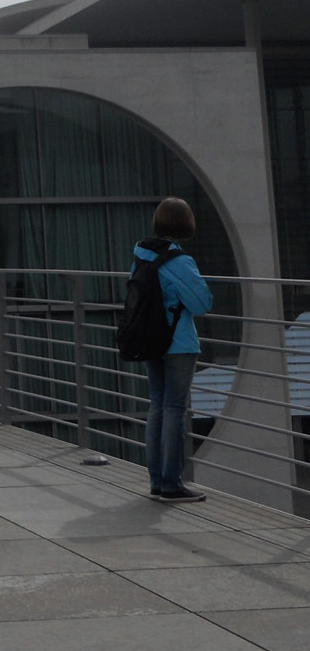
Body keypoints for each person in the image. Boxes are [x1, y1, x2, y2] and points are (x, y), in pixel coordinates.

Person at [135, 197, 212, 503]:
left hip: (148, 340)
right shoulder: (179, 261)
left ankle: (157, 481)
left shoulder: (141, 255)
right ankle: (171, 484)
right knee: (174, 409)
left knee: (157, 406)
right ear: (185, 224)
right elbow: (202, 303)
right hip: (178, 344)